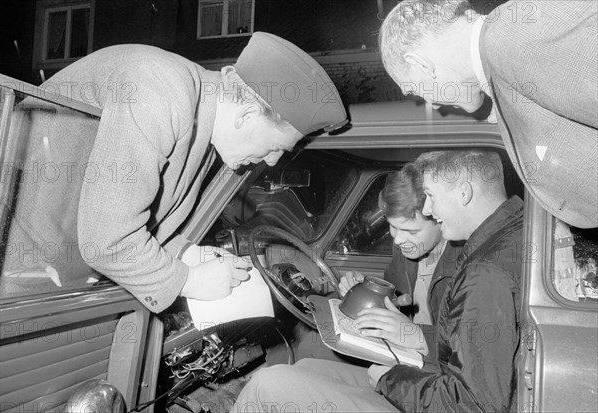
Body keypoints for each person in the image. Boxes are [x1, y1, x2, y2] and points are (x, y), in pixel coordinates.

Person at [0, 32, 347, 313]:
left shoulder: (201, 118)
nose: (271, 162)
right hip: (17, 264)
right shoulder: (162, 93)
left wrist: (186, 253)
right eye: (276, 147)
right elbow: (106, 239)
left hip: (49, 261)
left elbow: (138, 212)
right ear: (247, 116)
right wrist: (188, 282)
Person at [231, 149, 523, 412]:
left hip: (430, 383)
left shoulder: (484, 272)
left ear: (463, 194)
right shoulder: (499, 241)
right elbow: (460, 345)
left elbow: (473, 402)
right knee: (305, 364)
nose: (430, 209)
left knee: (266, 385)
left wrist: (393, 376)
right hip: (429, 374)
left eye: (431, 197)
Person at [379, 0, 597, 229]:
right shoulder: (504, 50)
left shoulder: (513, 40)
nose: (432, 105)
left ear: (420, 64)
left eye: (414, 90)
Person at [276, 162, 461, 364]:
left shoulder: (469, 267)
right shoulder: (407, 247)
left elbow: (473, 349)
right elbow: (396, 295)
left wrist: (415, 335)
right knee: (309, 341)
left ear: (441, 219)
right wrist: (364, 288)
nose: (398, 240)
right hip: (397, 346)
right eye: (392, 227)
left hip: (432, 364)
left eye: (411, 231)